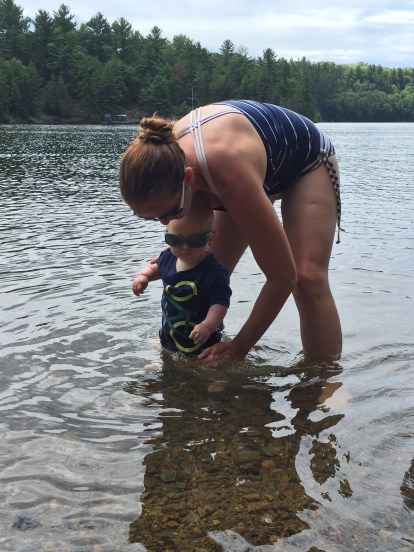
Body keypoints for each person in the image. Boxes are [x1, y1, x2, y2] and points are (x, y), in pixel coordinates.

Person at [120, 99, 342, 363]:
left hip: (305, 160)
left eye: (169, 212)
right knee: (202, 269)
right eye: (149, 217)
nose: (162, 222)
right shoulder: (161, 154)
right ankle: (184, 348)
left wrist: (240, 347)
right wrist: (180, 248)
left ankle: (326, 377)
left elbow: (282, 278)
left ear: (187, 179)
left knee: (307, 279)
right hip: (243, 162)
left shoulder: (228, 172)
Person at [131, 199, 232, 355]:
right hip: (170, 328)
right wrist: (143, 276)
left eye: (196, 240)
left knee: (204, 362)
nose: (184, 247)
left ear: (210, 238)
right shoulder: (168, 257)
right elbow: (155, 268)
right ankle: (166, 356)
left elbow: (220, 304)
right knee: (168, 349)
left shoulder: (214, 271)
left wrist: (208, 326)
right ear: (166, 235)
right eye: (175, 239)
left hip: (202, 337)